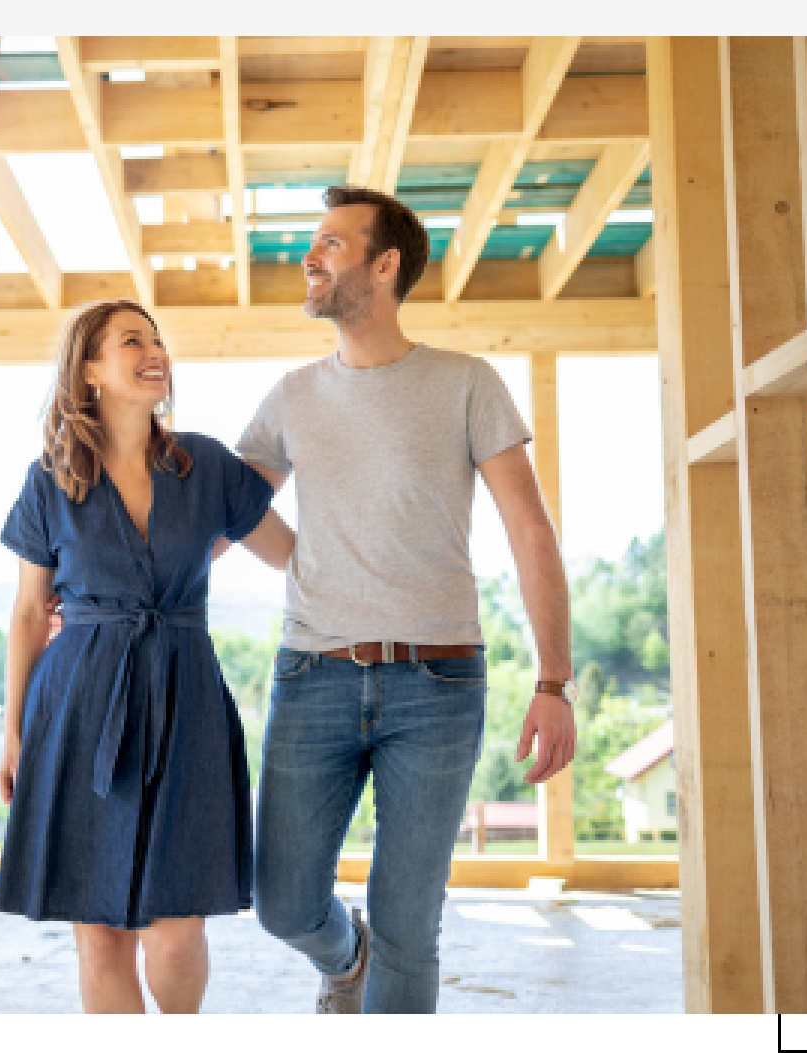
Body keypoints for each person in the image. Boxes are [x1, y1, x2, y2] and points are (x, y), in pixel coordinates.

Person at [228, 186, 578, 1013]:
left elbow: (530, 530)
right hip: (311, 674)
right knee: (280, 901)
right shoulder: (291, 395)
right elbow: (225, 516)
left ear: (384, 266)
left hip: (440, 686)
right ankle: (344, 958)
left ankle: (376, 954)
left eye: (331, 244)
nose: (309, 258)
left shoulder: (466, 383)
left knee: (410, 924)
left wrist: (553, 680)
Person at [0, 299, 296, 1014]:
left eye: (157, 340)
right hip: (74, 705)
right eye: (132, 340)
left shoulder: (206, 463)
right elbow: (30, 612)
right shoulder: (49, 479)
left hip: (186, 697)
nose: (155, 350)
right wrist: (12, 732)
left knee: (175, 929)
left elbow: (292, 555)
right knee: (97, 933)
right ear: (89, 369)